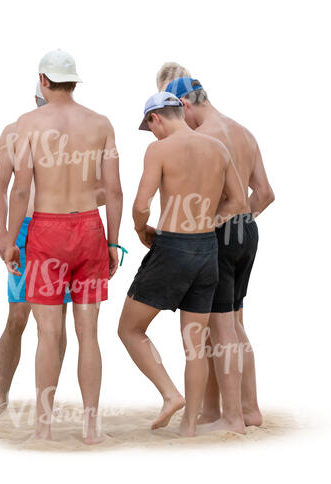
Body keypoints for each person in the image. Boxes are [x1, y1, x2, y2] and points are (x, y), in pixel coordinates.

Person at [4, 49, 123, 444]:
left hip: (45, 230)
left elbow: (21, 187)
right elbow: (116, 191)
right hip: (89, 227)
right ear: (74, 81)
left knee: (47, 333)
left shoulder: (28, 123)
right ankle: (91, 429)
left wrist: (9, 237)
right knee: (88, 332)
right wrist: (113, 242)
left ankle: (43, 428)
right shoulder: (100, 123)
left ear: (43, 80)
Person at [117, 92, 245, 437]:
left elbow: (142, 204)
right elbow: (239, 202)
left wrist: (142, 230)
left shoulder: (159, 150)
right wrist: (205, 221)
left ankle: (171, 394)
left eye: (150, 127)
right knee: (195, 345)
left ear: (156, 118)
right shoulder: (218, 149)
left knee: (129, 329)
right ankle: (188, 428)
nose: (151, 134)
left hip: (172, 249)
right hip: (206, 251)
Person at [164, 77, 275, 431]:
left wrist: (215, 225)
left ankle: (231, 418)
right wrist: (239, 222)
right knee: (235, 326)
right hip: (247, 233)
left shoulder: (204, 138)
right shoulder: (243, 132)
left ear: (185, 106)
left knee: (222, 329)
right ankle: (246, 409)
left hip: (219, 239)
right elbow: (265, 193)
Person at [0, 83, 73, 417]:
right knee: (17, 315)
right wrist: (2, 235)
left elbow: (96, 188)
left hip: (60, 228)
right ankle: (1, 396)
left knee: (55, 323)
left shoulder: (73, 132)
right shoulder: (15, 131)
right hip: (24, 231)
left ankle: (45, 403)